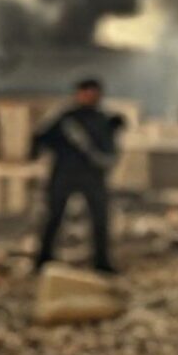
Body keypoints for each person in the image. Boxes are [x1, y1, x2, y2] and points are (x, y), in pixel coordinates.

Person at [31, 78, 124, 274]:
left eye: (94, 93)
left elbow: (110, 148)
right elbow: (41, 138)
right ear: (79, 94)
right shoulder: (65, 119)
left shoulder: (103, 119)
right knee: (54, 217)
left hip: (93, 177)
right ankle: (43, 259)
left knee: (100, 220)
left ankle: (102, 262)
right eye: (87, 92)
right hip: (64, 174)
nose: (90, 97)